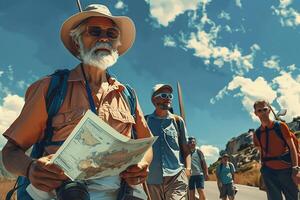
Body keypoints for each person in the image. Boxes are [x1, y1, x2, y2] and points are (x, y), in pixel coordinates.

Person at [2, 4, 153, 200]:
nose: (104, 38)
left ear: (117, 44)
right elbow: (10, 152)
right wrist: (30, 168)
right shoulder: (50, 87)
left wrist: (143, 164)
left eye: (112, 33)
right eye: (94, 31)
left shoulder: (128, 95)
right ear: (76, 41)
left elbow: (146, 145)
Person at [145, 84, 191, 200]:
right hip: (152, 179)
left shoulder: (177, 121)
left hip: (176, 177)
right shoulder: (145, 122)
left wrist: (188, 169)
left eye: (170, 96)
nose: (168, 98)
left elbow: (186, 149)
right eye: (164, 95)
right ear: (154, 99)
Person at [253, 100, 299, 200]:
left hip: (286, 171)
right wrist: (263, 172)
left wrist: (295, 169)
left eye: (265, 109)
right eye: (259, 110)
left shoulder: (281, 126)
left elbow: (292, 148)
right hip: (269, 173)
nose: (263, 112)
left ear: (269, 110)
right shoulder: (257, 134)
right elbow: (262, 154)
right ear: (256, 113)